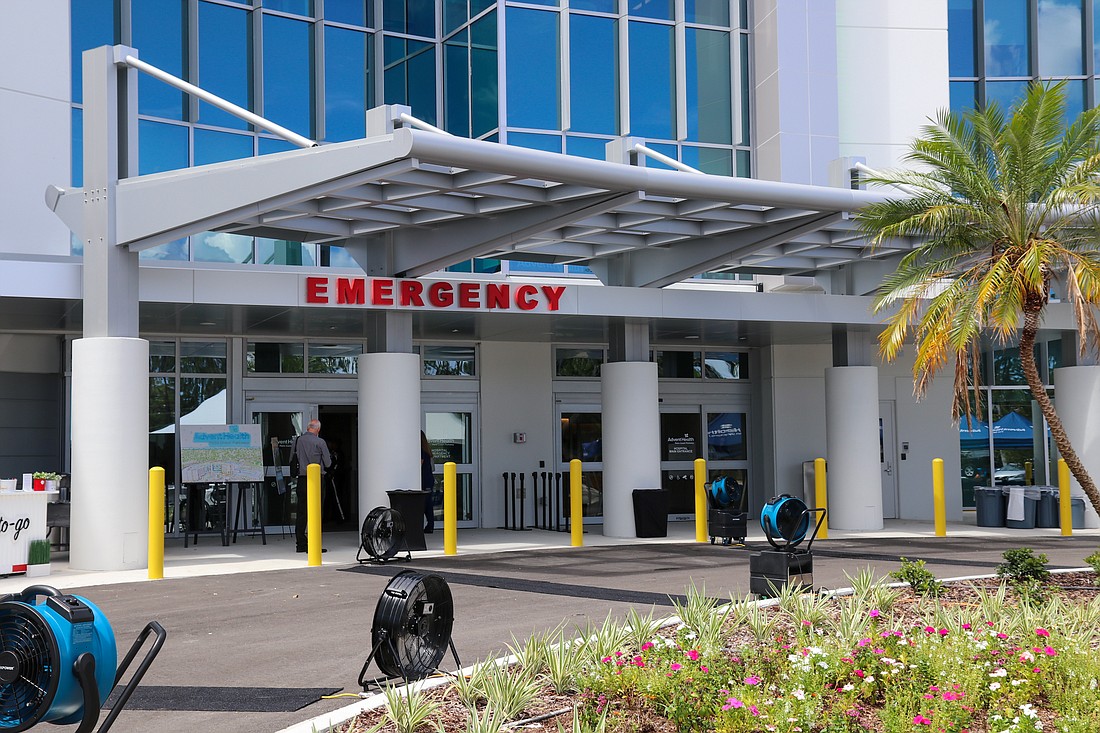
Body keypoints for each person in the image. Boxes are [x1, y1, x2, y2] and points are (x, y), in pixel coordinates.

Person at [293, 419, 331, 553]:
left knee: (302, 512)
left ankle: (301, 544)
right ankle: (314, 545)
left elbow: (294, 458)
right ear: (318, 429)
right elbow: (328, 463)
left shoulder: (298, 441)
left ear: (308, 428)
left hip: (302, 479)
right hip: (316, 479)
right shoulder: (320, 442)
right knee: (316, 512)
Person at [421, 431, 436, 533]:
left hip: (425, 480)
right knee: (427, 504)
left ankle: (429, 525)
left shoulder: (422, 452)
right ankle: (430, 525)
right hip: (428, 480)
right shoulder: (428, 451)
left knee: (425, 504)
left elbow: (419, 465)